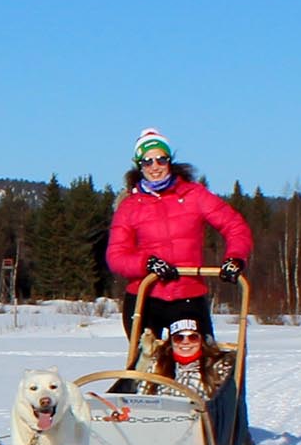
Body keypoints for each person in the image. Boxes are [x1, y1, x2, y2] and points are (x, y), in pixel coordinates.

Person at [106, 127, 252, 341]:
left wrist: (235, 258)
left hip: (188, 295)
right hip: (145, 296)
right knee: (144, 364)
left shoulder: (194, 195)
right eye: (147, 162)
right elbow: (116, 256)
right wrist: (147, 264)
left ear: (169, 161)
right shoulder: (129, 206)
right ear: (139, 166)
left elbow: (235, 226)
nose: (155, 167)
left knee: (200, 362)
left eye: (161, 160)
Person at [139, 318, 235, 398]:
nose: (186, 342)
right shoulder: (158, 364)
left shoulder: (217, 366)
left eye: (193, 337)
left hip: (199, 418)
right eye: (179, 338)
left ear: (202, 341)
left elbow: (224, 406)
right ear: (171, 342)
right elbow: (140, 398)